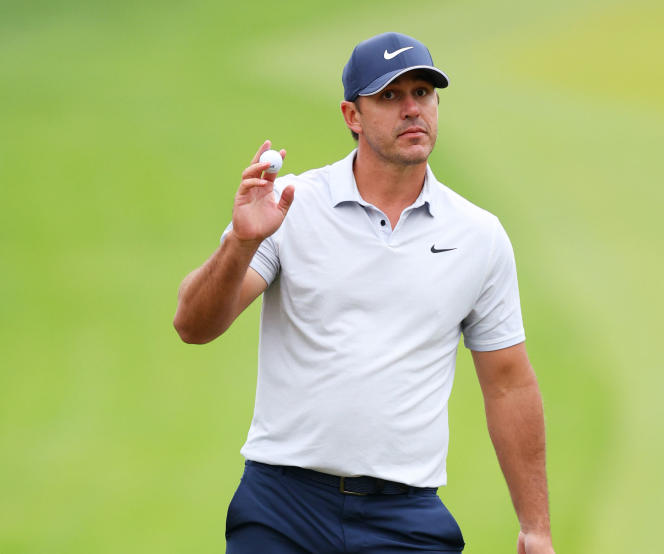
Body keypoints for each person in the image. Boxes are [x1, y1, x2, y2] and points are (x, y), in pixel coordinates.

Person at [173, 32, 553, 553]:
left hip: (406, 515)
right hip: (284, 505)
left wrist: (536, 528)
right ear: (353, 115)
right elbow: (194, 326)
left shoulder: (478, 235)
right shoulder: (291, 205)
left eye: (422, 93)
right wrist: (241, 242)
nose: (412, 109)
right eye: (390, 97)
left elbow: (509, 384)